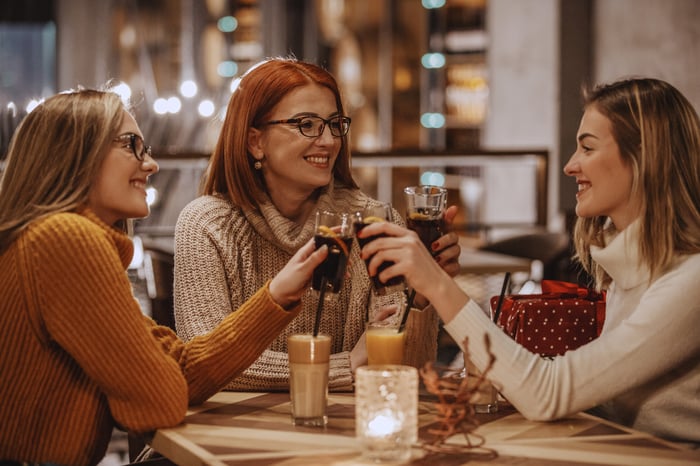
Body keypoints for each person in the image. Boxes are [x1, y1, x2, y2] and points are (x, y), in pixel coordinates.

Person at [359, 77, 700, 446]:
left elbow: (548, 393)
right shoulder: (629, 269)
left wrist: (437, 284)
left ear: (645, 157)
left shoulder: (690, 280)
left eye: (588, 148)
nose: (570, 166)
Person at [0, 88, 329, 466]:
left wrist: (275, 294)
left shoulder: (51, 239)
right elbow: (158, 402)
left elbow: (184, 370)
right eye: (132, 145)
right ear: (75, 155)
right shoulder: (66, 240)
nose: (151, 164)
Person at [174, 57, 461, 391]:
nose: (328, 141)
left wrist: (424, 294)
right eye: (307, 124)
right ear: (256, 141)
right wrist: (343, 366)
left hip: (346, 432)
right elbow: (204, 365)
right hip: (229, 435)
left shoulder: (374, 222)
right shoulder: (206, 225)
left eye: (334, 123)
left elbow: (403, 370)